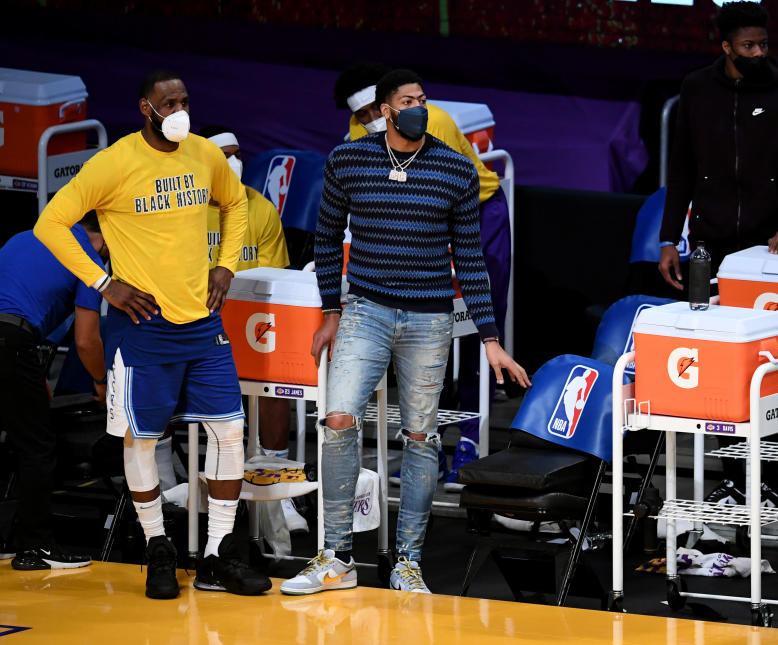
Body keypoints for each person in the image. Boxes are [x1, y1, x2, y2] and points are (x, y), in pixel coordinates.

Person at [282, 69, 529, 596]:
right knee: (339, 417)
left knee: (420, 437)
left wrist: (490, 338)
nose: (419, 107)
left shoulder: (455, 170)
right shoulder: (348, 161)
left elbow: (470, 259)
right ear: (385, 110)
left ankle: (409, 562)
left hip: (429, 319)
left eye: (423, 98)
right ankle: (336, 556)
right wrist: (330, 312)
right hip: (365, 310)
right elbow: (326, 240)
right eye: (409, 101)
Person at [33, 70, 271, 599]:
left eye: (185, 99)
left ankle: (215, 556)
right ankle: (157, 547)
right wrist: (104, 283)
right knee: (142, 439)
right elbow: (50, 222)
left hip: (203, 321)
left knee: (229, 433)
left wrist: (226, 265)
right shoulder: (115, 162)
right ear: (147, 107)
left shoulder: (205, 154)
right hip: (143, 324)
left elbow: (235, 205)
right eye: (169, 101)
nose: (180, 108)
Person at [657, 0, 778, 510]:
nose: (758, 52)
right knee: (722, 365)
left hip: (766, 251)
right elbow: (680, 168)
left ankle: (769, 475)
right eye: (748, 45)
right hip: (709, 244)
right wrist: (669, 237)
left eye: (763, 44)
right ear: (725, 46)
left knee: (768, 363)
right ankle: (732, 476)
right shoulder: (695, 89)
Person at [335, 63, 512, 484]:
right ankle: (423, 445)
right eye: (362, 117)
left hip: (479, 216)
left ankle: (470, 441)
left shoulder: (439, 124)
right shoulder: (359, 130)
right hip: (415, 222)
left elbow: (447, 195)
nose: (368, 124)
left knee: (475, 327)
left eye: (372, 116)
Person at [199, 124, 306, 534]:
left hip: (250, 322)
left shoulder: (259, 208)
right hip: (198, 322)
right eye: (224, 154)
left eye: (237, 152)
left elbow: (274, 283)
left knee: (280, 386)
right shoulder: (185, 209)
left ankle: (277, 491)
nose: (234, 161)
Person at [0, 212, 108, 570]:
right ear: (107, 238)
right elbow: (86, 340)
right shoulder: (88, 260)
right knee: (37, 447)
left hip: (15, 342)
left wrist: (31, 365)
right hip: (12, 343)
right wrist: (100, 382)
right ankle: (36, 547)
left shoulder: (26, 236)